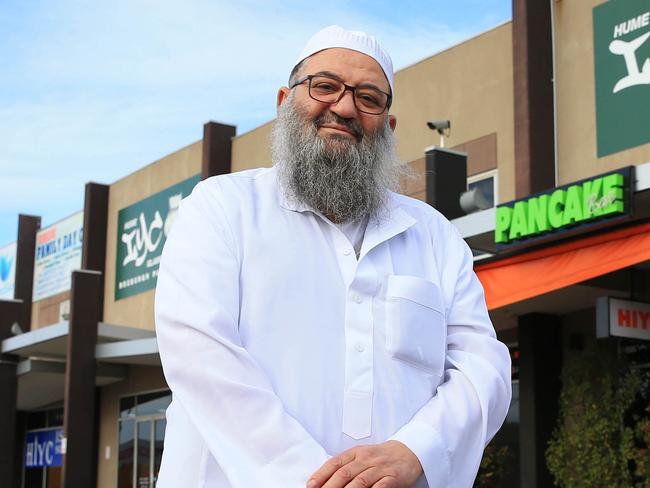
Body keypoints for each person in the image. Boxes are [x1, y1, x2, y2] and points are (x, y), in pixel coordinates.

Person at [155, 25, 512, 488]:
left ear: (389, 123)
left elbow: (484, 369)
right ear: (284, 101)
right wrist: (312, 479)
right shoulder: (222, 208)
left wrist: (415, 450)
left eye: (368, 98)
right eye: (324, 86)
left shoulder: (434, 236)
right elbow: (201, 354)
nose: (344, 108)